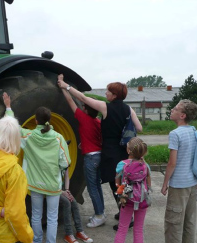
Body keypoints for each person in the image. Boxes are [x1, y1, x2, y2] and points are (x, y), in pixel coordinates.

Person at [57, 78, 143, 230]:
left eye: (108, 91)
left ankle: (126, 217)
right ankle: (124, 211)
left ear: (114, 95)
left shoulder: (105, 108)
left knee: (115, 185)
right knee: (122, 184)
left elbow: (83, 98)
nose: (106, 93)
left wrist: (66, 85)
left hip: (110, 153)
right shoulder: (129, 109)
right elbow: (139, 128)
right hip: (123, 152)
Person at [3, 92, 71, 243]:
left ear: (35, 120)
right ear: (50, 119)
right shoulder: (59, 138)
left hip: (34, 184)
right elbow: (65, 162)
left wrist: (8, 107)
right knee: (52, 217)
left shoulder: (29, 136)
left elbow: (13, 127)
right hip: (53, 185)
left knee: (35, 215)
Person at [156, 100, 197, 243]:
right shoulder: (195, 131)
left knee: (174, 222)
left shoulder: (175, 133)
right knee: (189, 220)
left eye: (175, 109)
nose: (171, 110)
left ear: (182, 116)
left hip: (179, 184)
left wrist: (165, 183)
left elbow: (172, 163)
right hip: (192, 183)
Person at [58, 74, 106, 227]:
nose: (82, 107)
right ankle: (101, 212)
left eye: (83, 106)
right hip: (99, 156)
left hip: (90, 158)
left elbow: (71, 102)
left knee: (92, 188)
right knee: (97, 186)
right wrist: (83, 144)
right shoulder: (97, 122)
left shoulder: (83, 118)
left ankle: (99, 215)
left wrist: (63, 87)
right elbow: (98, 139)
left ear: (85, 110)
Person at [108, 137, 149, 243]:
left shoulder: (122, 164)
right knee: (138, 229)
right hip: (142, 200)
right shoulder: (145, 165)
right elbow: (148, 184)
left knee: (122, 228)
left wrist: (121, 191)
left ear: (128, 150)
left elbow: (117, 182)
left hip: (127, 199)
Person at [60, 168, 94, 243]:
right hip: (52, 189)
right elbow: (50, 183)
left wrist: (67, 190)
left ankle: (79, 231)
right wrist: (62, 192)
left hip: (61, 189)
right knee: (67, 203)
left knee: (74, 202)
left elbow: (66, 175)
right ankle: (68, 234)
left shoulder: (65, 159)